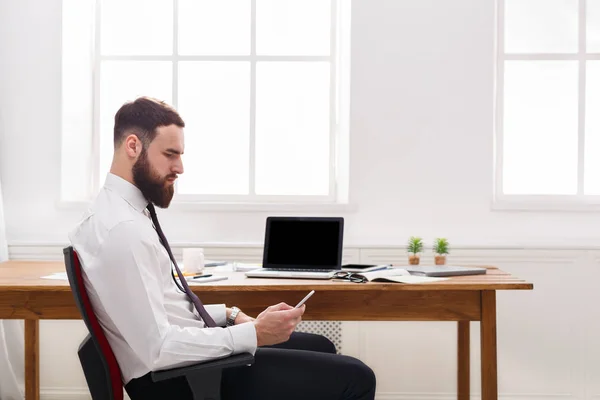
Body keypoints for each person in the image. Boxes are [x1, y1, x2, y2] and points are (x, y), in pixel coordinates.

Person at [68, 97, 376, 400]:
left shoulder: (122, 214)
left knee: (321, 347)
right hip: (184, 379)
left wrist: (229, 315)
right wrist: (254, 334)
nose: (180, 167)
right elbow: (159, 349)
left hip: (187, 367)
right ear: (133, 146)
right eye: (170, 154)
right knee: (357, 378)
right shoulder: (122, 229)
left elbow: (161, 311)